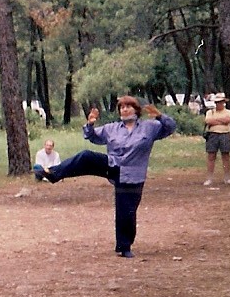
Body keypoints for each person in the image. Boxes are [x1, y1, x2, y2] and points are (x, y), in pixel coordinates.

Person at [34, 96, 176, 258]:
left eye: (128, 106)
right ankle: (53, 173)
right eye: (122, 107)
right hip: (113, 165)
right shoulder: (112, 128)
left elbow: (170, 127)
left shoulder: (149, 128)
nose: (124, 109)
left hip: (133, 174)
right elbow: (92, 137)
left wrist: (159, 116)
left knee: (127, 211)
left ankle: (124, 247)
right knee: (86, 156)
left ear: (136, 110)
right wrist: (90, 124)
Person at [203, 93, 230, 186]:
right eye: (217, 102)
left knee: (226, 156)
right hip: (213, 135)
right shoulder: (210, 112)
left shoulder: (229, 112)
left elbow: (228, 120)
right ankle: (209, 178)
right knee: (211, 156)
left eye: (220, 102)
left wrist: (216, 120)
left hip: (225, 134)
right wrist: (221, 120)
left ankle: (227, 178)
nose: (219, 104)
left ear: (223, 103)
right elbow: (208, 121)